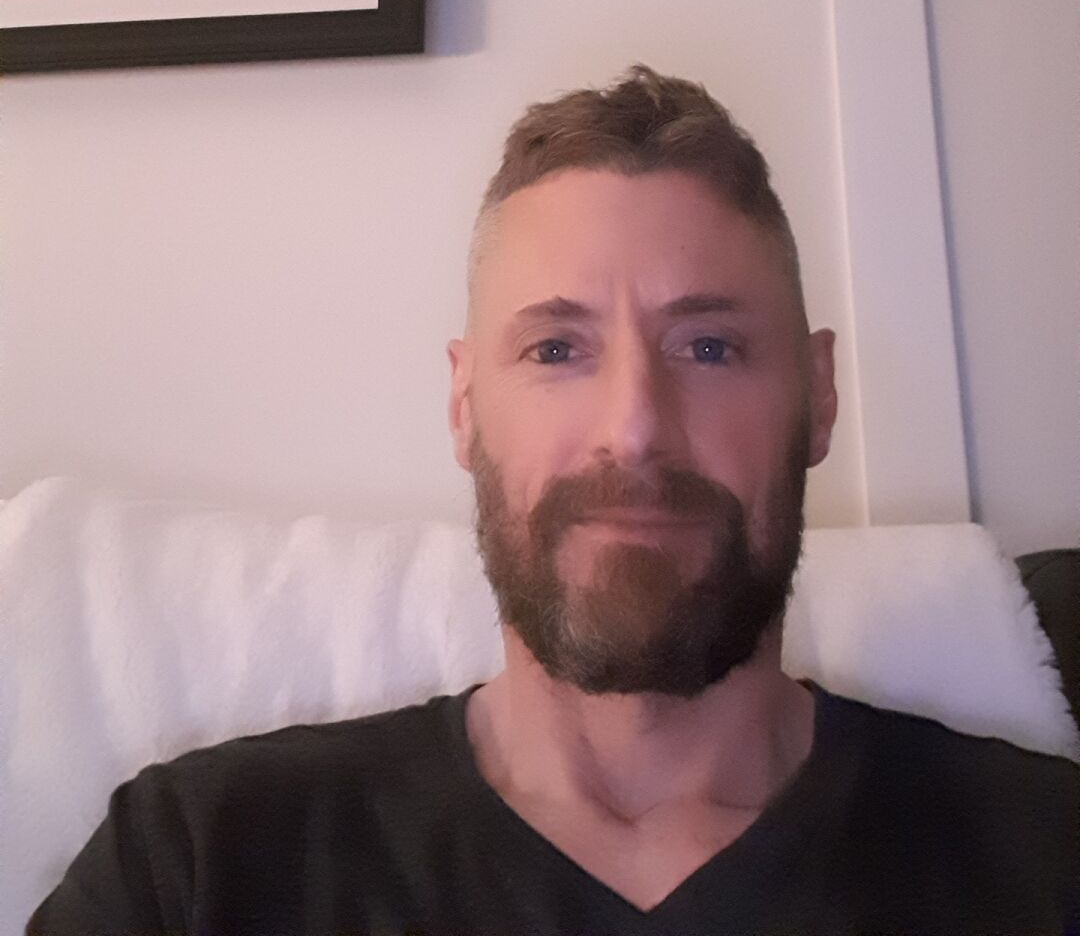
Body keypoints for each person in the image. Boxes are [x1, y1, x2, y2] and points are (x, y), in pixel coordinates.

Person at [29, 66, 1079, 935]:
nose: (636, 427)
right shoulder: (199, 865)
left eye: (710, 347)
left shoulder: (1046, 856)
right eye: (556, 349)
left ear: (819, 397)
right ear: (464, 407)